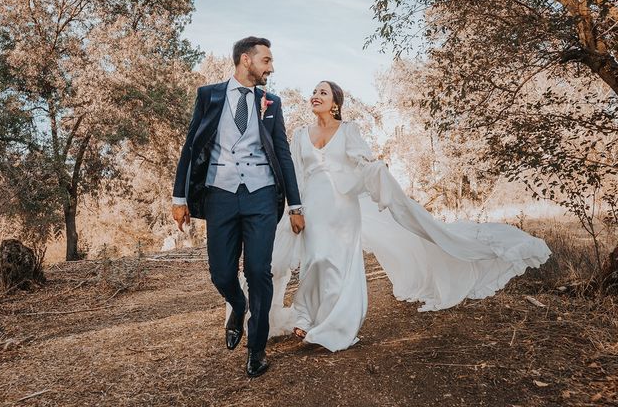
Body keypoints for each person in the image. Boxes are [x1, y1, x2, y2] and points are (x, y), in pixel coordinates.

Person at [267, 80, 551, 352]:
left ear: (335, 104)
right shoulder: (301, 135)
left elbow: (364, 163)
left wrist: (377, 170)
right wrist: (294, 208)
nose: (315, 95)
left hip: (342, 209)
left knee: (337, 265)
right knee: (314, 260)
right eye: (314, 91)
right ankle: (305, 315)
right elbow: (295, 174)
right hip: (313, 208)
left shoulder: (348, 130)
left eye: (323, 92)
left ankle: (332, 326)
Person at [171, 36, 305, 377]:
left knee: (259, 271)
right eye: (266, 61)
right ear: (246, 60)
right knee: (221, 273)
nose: (270, 68)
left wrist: (295, 204)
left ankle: (256, 348)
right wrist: (179, 197)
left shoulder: (271, 102)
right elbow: (190, 147)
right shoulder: (209, 95)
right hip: (220, 195)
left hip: (261, 194)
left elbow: (283, 155)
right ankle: (237, 303)